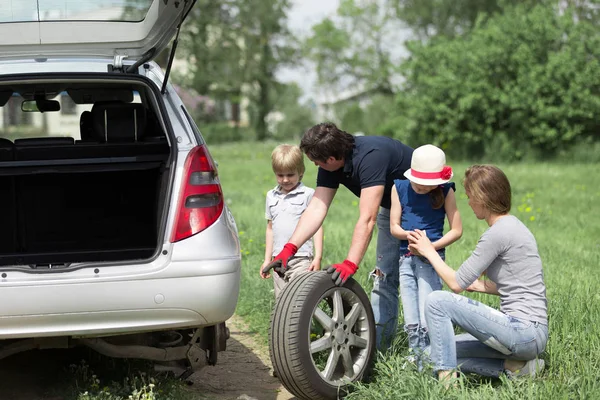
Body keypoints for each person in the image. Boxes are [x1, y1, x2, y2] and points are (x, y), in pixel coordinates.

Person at [261, 122, 414, 351]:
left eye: (316, 161)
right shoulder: (330, 165)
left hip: (420, 210)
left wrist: (350, 263)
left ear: (331, 158)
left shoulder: (371, 158)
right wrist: (289, 248)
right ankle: (380, 350)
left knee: (414, 281)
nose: (314, 165)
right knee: (384, 278)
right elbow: (317, 208)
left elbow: (367, 218)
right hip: (392, 208)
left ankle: (423, 352)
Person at [407, 165, 548, 382]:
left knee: (437, 301)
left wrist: (428, 250)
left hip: (523, 332)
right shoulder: (515, 227)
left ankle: (447, 385)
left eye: (471, 197)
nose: (470, 203)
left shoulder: (498, 233)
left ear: (483, 198)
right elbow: (513, 286)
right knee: (428, 356)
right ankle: (517, 369)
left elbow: (455, 283)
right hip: (528, 336)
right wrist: (475, 287)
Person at [389, 144, 462, 362]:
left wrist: (431, 246)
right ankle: (415, 356)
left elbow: (457, 230)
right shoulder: (399, 188)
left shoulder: (446, 191)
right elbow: (394, 227)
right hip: (406, 258)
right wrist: (409, 236)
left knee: (426, 310)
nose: (421, 189)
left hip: (431, 259)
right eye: (418, 185)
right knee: (410, 311)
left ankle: (432, 356)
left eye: (426, 186)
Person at [260, 144, 323, 297]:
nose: (285, 179)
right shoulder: (271, 196)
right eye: (280, 175)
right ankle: (282, 322)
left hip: (301, 258)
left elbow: (317, 227)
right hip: (278, 259)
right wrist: (267, 259)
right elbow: (270, 228)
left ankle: (303, 322)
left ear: (300, 172)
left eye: (290, 175)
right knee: (281, 301)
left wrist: (318, 256)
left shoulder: (308, 194)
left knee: (300, 299)